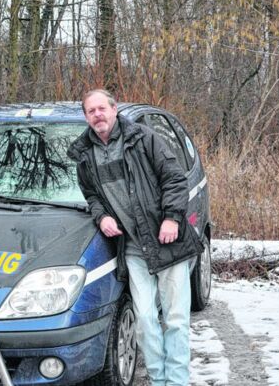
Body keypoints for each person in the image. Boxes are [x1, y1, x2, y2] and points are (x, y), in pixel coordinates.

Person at [67, 89, 203, 386]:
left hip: (168, 243)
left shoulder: (144, 139)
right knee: (144, 320)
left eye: (102, 108)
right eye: (91, 111)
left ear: (114, 109)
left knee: (176, 319)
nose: (98, 115)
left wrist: (171, 218)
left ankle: (176, 382)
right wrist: (102, 217)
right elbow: (91, 195)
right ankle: (158, 380)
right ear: (86, 117)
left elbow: (174, 179)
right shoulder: (85, 156)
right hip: (132, 248)